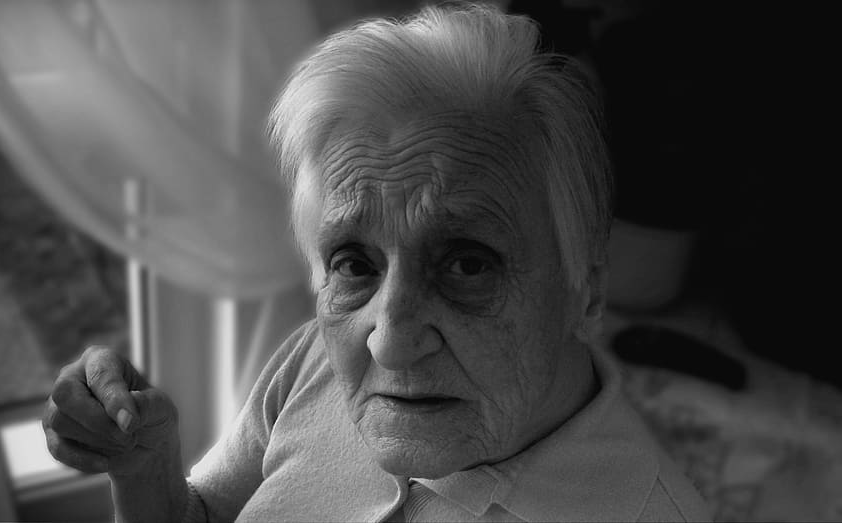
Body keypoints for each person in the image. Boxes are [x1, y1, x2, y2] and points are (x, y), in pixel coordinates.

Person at [42, 3, 712, 522]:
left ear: (585, 287)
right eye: (355, 262)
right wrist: (145, 467)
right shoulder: (313, 358)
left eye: (468, 264)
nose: (388, 340)